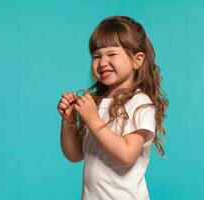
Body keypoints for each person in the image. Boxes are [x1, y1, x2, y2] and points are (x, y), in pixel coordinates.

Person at [57, 15, 168, 200]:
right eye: (96, 56)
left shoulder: (140, 104)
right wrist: (68, 122)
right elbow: (75, 155)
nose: (102, 62)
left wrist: (93, 120)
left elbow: (126, 155)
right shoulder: (96, 103)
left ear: (137, 60)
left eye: (112, 54)